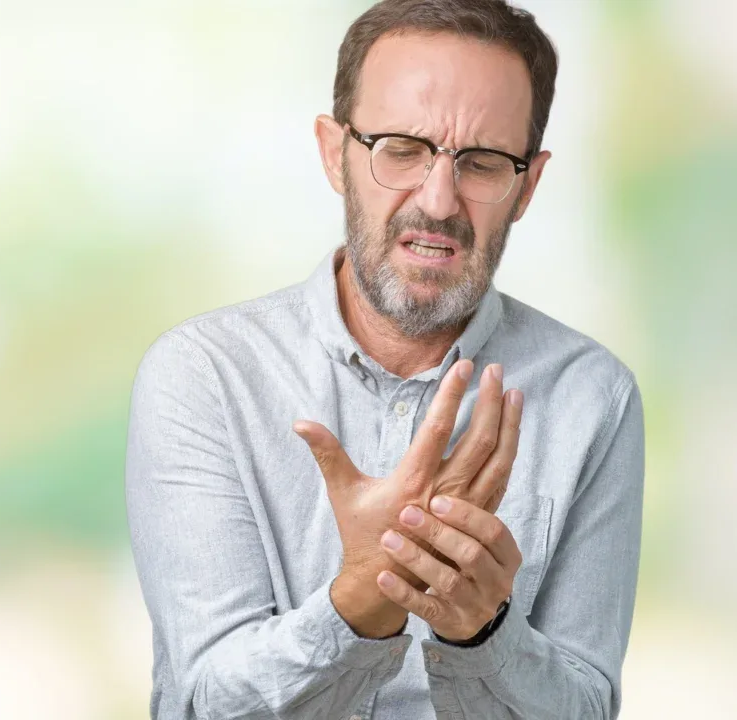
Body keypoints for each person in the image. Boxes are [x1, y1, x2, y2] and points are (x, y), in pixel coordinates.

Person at [125, 1, 645, 718]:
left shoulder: (594, 397)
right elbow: (206, 702)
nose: (437, 201)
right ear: (334, 153)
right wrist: (361, 600)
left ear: (527, 185)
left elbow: (588, 708)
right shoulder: (203, 376)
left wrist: (484, 635)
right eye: (401, 148)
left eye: (484, 163)